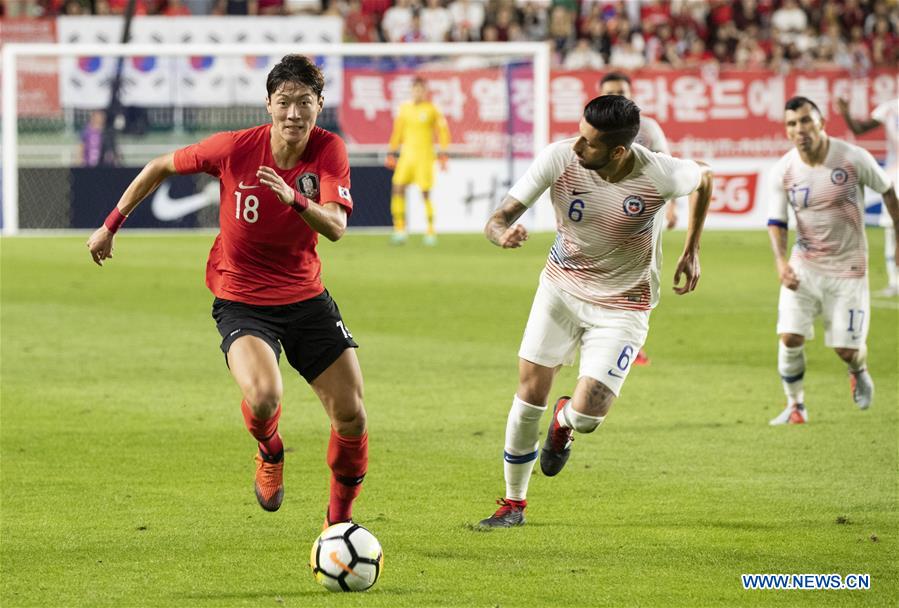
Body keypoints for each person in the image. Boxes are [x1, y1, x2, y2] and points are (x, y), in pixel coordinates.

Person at [86, 55, 369, 526]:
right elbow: (159, 166)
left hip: (306, 298)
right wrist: (110, 226)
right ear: (268, 105)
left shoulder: (328, 149)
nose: (294, 114)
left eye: (304, 103)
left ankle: (337, 525)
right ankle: (270, 449)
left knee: (352, 415)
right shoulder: (234, 149)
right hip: (243, 301)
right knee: (263, 398)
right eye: (284, 103)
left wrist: (294, 198)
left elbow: (337, 227)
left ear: (320, 105)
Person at [478, 95, 713, 527]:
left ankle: (564, 423)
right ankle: (513, 504)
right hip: (560, 290)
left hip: (624, 305)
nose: (577, 146)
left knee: (588, 417)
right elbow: (498, 218)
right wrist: (501, 234)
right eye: (579, 134)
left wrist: (692, 249)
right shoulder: (557, 159)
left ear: (618, 151)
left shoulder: (660, 174)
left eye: (589, 142)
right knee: (528, 395)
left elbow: (706, 178)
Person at [767, 96, 898, 426]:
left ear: (821, 122)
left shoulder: (852, 158)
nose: (800, 129)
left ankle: (858, 369)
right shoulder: (783, 170)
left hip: (848, 268)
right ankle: (796, 406)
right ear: (787, 131)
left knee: (846, 350)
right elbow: (777, 222)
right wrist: (781, 263)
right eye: (793, 124)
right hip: (804, 264)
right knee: (790, 338)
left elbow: (887, 190)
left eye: (806, 120)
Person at [598, 71, 677, 366]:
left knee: (642, 278)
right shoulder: (594, 128)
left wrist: (672, 207)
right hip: (605, 214)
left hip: (643, 215)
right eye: (611, 92)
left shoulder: (648, 128)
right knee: (605, 275)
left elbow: (668, 167)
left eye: (622, 91)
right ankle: (609, 338)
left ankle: (632, 341)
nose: (617, 97)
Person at [837, 96, 899, 297]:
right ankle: (895, 281)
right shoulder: (889, 108)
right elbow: (859, 130)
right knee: (891, 228)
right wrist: (846, 113)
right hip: (895, 176)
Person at [385, 77, 450, 246]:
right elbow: (397, 132)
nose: (418, 92)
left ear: (425, 91)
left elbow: (443, 132)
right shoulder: (404, 109)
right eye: (415, 89)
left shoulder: (432, 110)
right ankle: (400, 229)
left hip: (425, 157)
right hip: (407, 157)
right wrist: (391, 152)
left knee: (425, 193)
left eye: (421, 89)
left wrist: (443, 153)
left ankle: (430, 230)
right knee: (397, 188)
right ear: (411, 90)